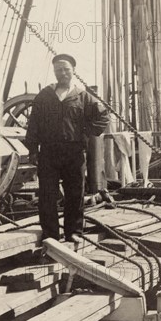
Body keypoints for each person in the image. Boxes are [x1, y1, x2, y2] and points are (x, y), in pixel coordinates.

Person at [24, 54, 110, 243]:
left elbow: (103, 116)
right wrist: (32, 150)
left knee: (75, 194)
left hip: (74, 153)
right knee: (47, 195)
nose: (62, 73)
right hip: (48, 152)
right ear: (54, 72)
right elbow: (34, 124)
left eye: (66, 69)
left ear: (73, 71)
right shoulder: (44, 96)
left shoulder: (83, 96)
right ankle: (51, 235)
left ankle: (74, 232)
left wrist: (87, 132)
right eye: (58, 70)